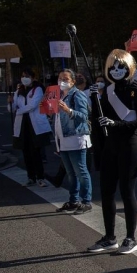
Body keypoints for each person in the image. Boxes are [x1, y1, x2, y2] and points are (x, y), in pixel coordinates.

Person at [88, 50, 137, 254]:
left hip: (129, 144)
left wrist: (116, 124)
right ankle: (109, 237)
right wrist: (94, 99)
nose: (116, 71)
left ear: (129, 68)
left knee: (126, 191)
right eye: (113, 67)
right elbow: (99, 119)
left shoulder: (135, 88)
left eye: (121, 67)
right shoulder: (107, 90)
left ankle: (131, 238)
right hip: (110, 146)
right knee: (106, 192)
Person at [53, 69, 93, 214]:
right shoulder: (60, 96)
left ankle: (86, 201)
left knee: (81, 171)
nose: (62, 81)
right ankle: (73, 200)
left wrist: (69, 111)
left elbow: (84, 115)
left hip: (76, 139)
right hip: (63, 140)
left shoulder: (78, 95)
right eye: (60, 78)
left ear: (73, 81)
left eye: (65, 79)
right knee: (71, 173)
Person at [11, 68, 52, 187]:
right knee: (26, 153)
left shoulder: (37, 89)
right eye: (23, 76)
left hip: (35, 126)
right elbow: (12, 108)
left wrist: (18, 111)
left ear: (33, 78)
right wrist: (11, 104)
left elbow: (32, 106)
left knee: (36, 153)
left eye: (27, 76)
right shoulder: (18, 91)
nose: (25, 78)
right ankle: (31, 177)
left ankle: (40, 177)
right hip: (23, 126)